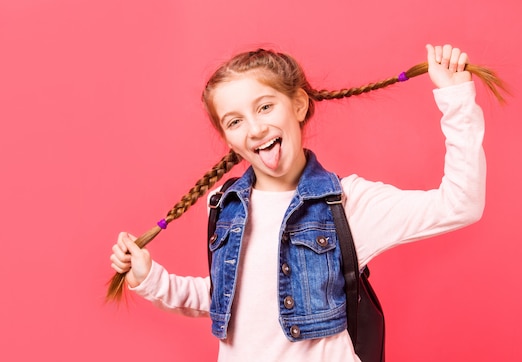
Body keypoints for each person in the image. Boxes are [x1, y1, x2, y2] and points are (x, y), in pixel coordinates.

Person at [109, 44, 503, 361]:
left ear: (298, 105)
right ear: (227, 138)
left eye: (265, 106)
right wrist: (149, 277)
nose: (256, 127)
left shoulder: (348, 204)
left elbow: (460, 204)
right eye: (234, 121)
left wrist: (456, 100)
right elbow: (225, 301)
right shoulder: (223, 205)